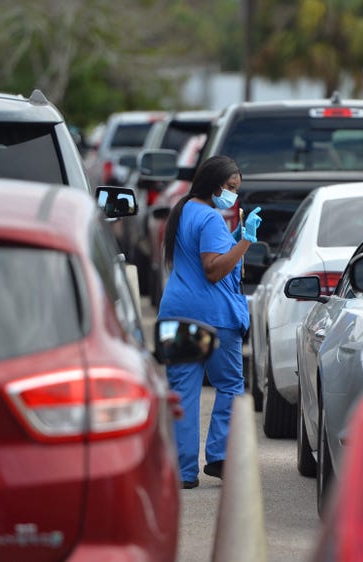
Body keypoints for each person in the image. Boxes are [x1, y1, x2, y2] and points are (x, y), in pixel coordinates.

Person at [157, 155, 262, 489]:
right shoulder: (211, 218)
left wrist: (232, 237)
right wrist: (245, 240)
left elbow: (202, 256)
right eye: (230, 188)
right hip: (214, 319)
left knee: (183, 392)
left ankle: (183, 471)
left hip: (177, 314)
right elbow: (214, 270)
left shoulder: (184, 210)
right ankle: (219, 457)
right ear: (215, 183)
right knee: (230, 386)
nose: (233, 195)